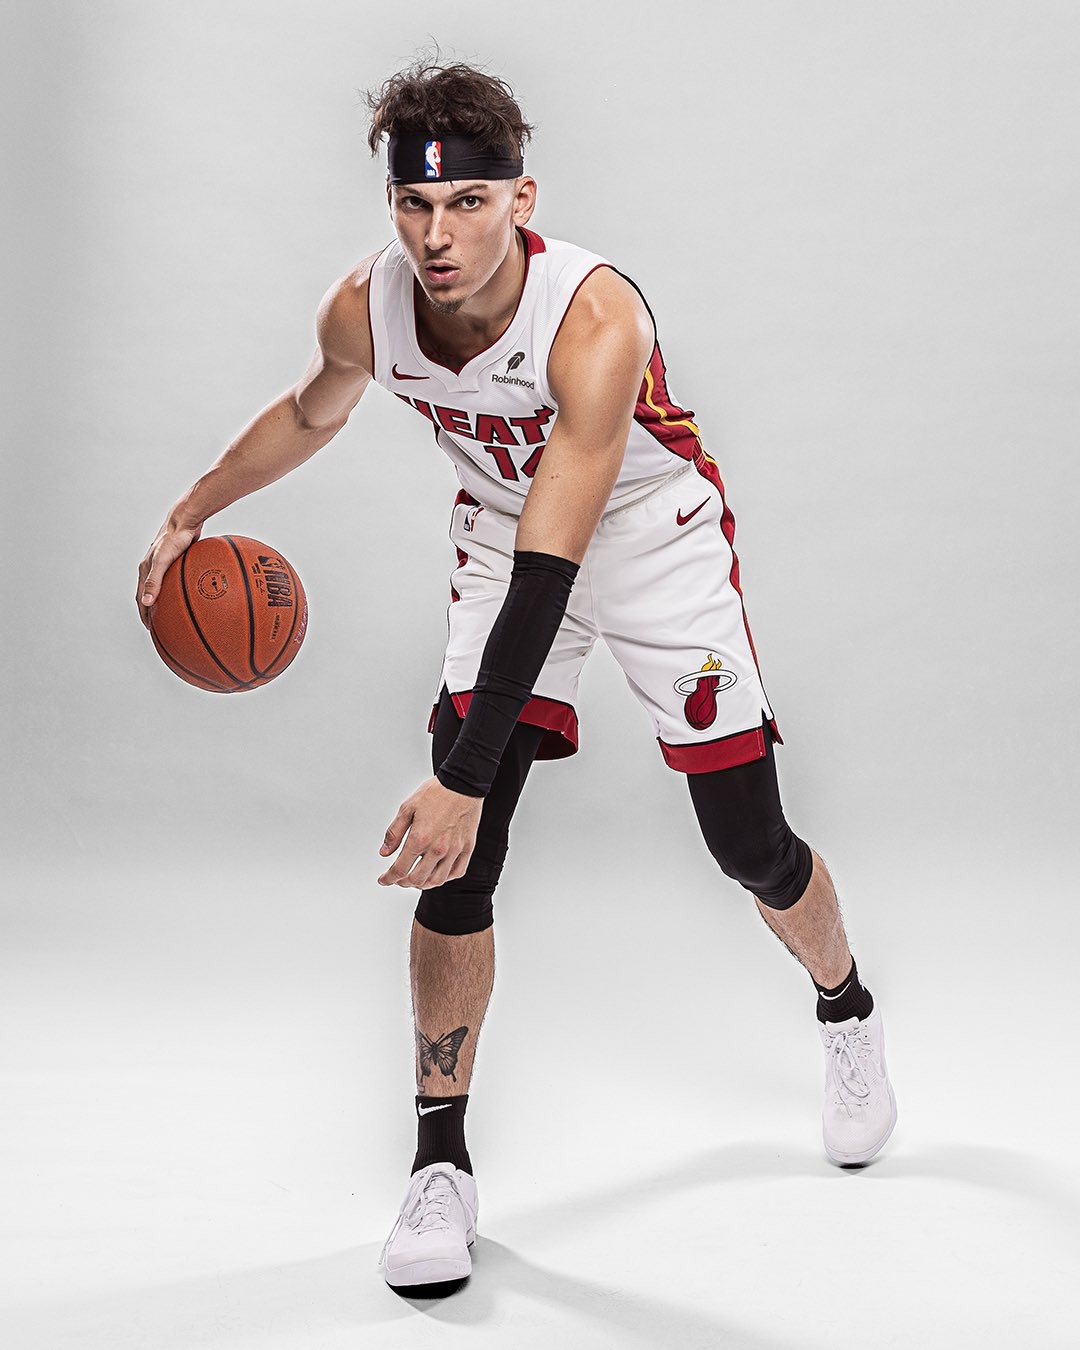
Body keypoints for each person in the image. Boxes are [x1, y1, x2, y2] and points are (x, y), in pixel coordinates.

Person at [137, 59, 898, 1291]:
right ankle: (439, 1161)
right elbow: (312, 411)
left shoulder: (593, 318)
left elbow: (561, 564)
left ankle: (846, 1008)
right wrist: (193, 507)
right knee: (462, 860)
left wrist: (463, 776)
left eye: (469, 204)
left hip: (646, 537)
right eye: (414, 206)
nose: (438, 237)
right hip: (505, 536)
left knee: (749, 843)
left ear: (521, 200)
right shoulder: (366, 307)